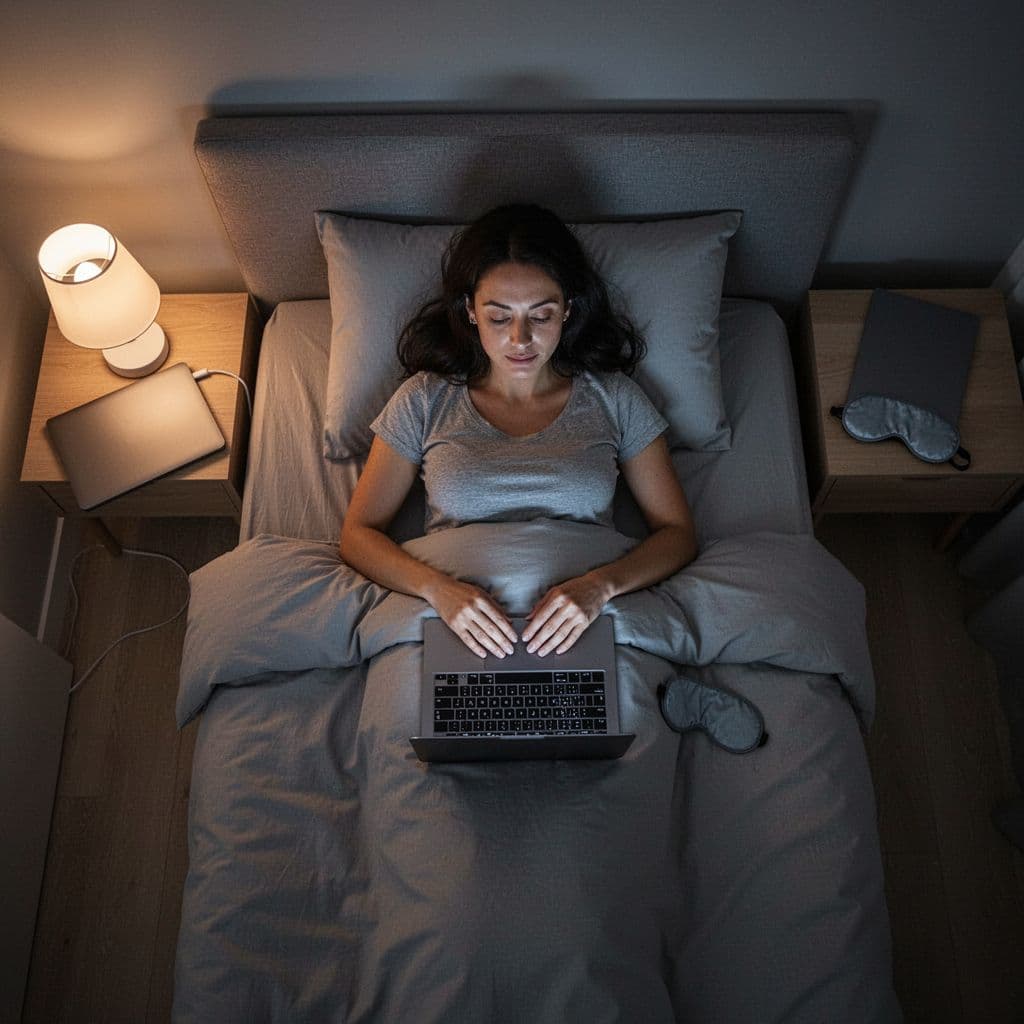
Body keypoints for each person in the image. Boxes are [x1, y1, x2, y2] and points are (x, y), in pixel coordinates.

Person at [339, 204, 697, 659]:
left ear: (568, 308)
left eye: (541, 315)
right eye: (499, 316)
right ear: (470, 311)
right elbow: (358, 534)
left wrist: (599, 587)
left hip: (586, 628)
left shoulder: (614, 397)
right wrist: (439, 591)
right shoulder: (425, 399)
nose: (521, 339)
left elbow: (677, 533)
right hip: (454, 629)